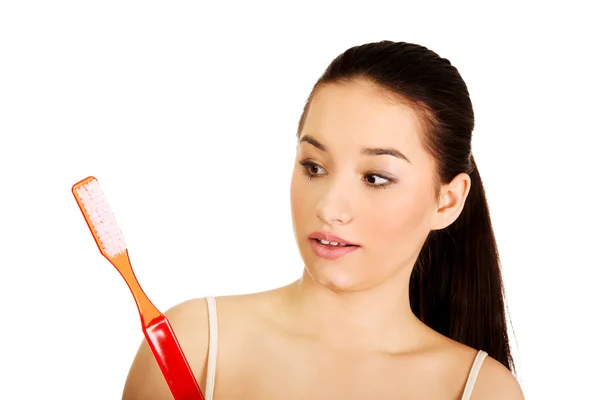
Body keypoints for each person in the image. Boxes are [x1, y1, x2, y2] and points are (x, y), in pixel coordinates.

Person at [122, 40, 524, 399]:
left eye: (375, 178)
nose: (330, 208)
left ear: (447, 202)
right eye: (314, 167)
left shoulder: (480, 390)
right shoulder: (194, 345)